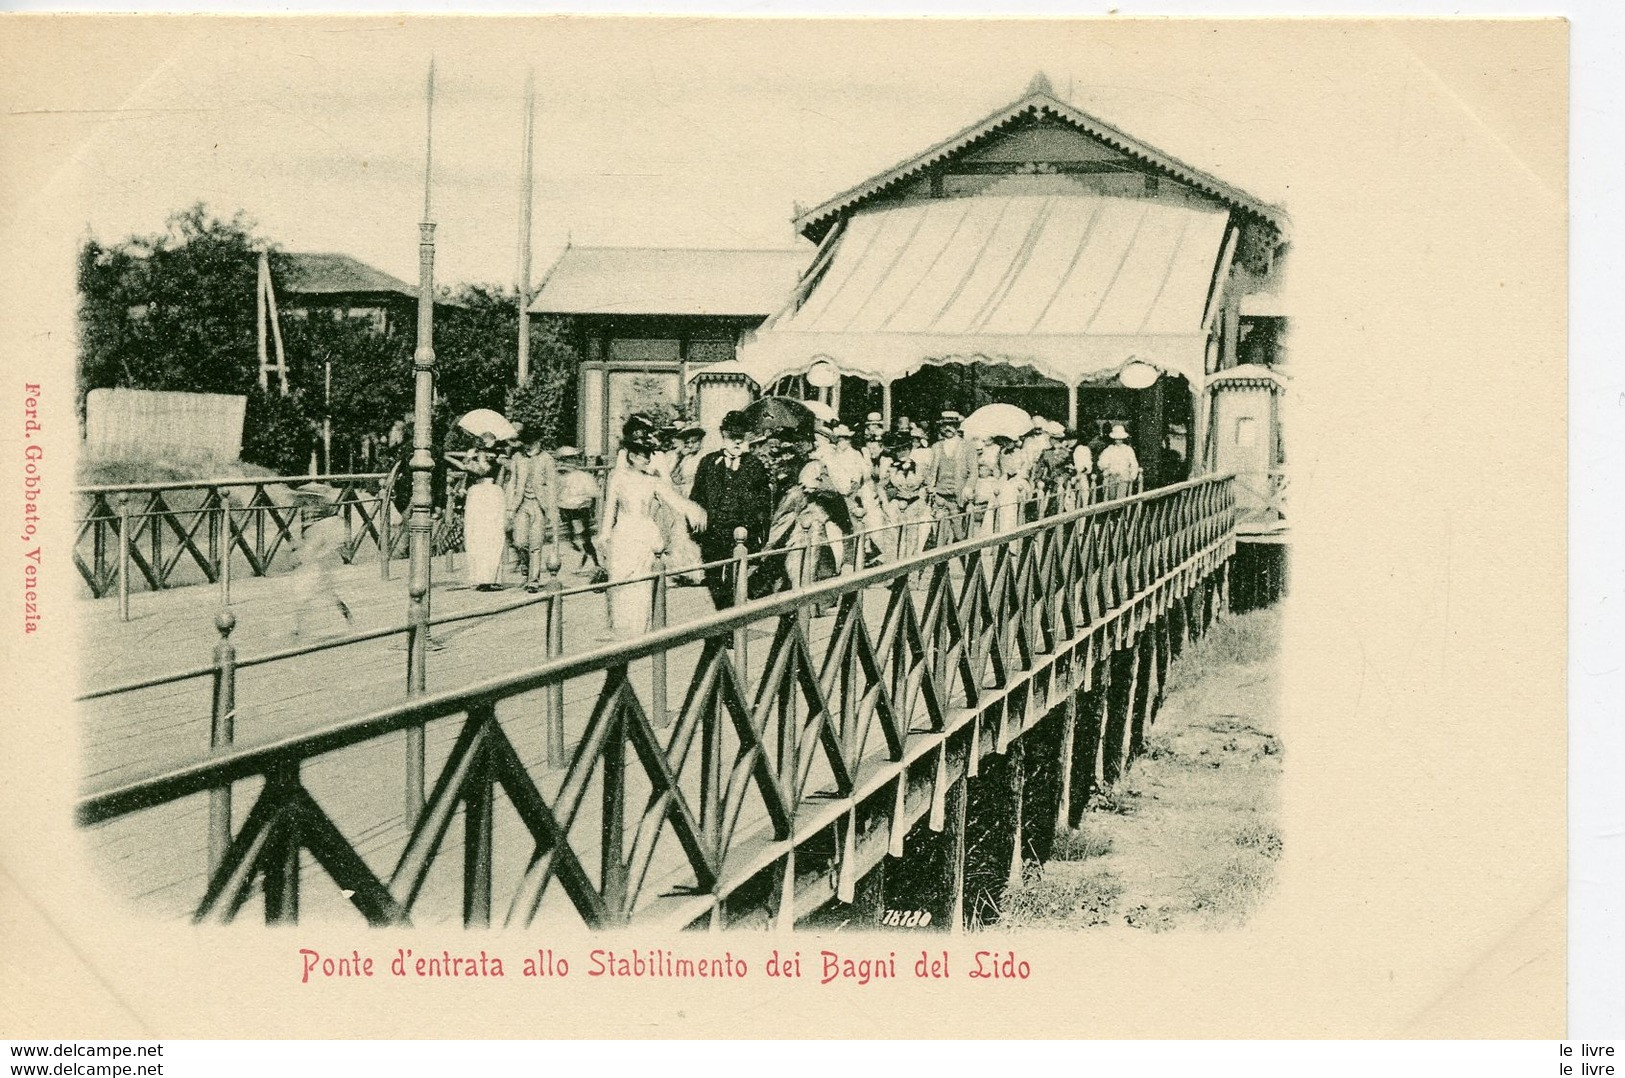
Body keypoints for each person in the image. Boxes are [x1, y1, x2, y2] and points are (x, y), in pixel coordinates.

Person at [599, 429, 707, 635]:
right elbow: (609, 510)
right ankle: (622, 629)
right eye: (642, 454)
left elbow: (675, 500)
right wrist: (604, 536)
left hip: (645, 533)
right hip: (622, 534)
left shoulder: (652, 481)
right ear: (631, 456)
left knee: (642, 584)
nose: (647, 458)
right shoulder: (618, 479)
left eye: (648, 454)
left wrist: (695, 510)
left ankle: (640, 630)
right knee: (621, 581)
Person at [688, 410, 773, 610]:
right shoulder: (708, 463)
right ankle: (723, 627)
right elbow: (696, 498)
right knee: (716, 584)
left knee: (738, 586)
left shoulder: (754, 465)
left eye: (740, 437)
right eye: (731, 436)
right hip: (713, 536)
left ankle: (728, 633)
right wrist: (695, 529)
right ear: (723, 435)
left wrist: (759, 535)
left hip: (742, 537)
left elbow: (763, 504)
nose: (736, 442)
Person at [288, 482, 354, 639]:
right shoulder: (320, 521)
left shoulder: (323, 524)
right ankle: (347, 617)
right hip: (318, 563)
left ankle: (299, 627)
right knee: (323, 592)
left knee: (305, 594)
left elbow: (313, 547)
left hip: (316, 565)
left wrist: (300, 555)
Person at [447, 433, 507, 591]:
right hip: (476, 493)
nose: (485, 441)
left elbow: (483, 470)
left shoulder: (500, 454)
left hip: (491, 491)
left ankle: (491, 577)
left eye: (489, 438)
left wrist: (474, 460)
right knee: (474, 534)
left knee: (492, 535)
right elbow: (465, 470)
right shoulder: (472, 452)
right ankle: (479, 577)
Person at [504, 434, 560, 592]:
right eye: (526, 443)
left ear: (539, 442)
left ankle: (533, 580)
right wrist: (509, 507)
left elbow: (552, 485)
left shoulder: (547, 459)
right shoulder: (517, 457)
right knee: (520, 542)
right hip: (521, 504)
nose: (529, 447)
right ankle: (526, 567)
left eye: (532, 443)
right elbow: (512, 482)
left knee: (536, 543)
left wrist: (551, 509)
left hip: (539, 505)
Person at [926, 410, 975, 542]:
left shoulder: (967, 446)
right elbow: (932, 471)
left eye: (951, 425)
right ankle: (942, 561)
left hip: (957, 496)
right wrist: (930, 487)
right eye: (945, 425)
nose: (948, 428)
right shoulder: (937, 446)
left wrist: (968, 488)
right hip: (940, 496)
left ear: (957, 427)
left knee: (960, 534)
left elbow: (973, 472)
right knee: (940, 535)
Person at [554, 446, 602, 574]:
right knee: (574, 536)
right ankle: (587, 561)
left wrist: (586, 502)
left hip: (579, 507)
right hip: (566, 506)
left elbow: (593, 493)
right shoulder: (561, 476)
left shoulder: (582, 476)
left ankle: (594, 563)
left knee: (582, 535)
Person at [1097, 423, 1142, 500]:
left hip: (1123, 477)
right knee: (1111, 498)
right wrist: (1107, 469)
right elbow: (1101, 463)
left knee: (1121, 499)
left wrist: (1132, 476)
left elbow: (1134, 464)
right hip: (1112, 476)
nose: (1119, 441)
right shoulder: (1109, 449)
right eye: (1117, 439)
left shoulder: (1128, 450)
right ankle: (1112, 511)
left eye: (1120, 439)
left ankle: (1120, 511)